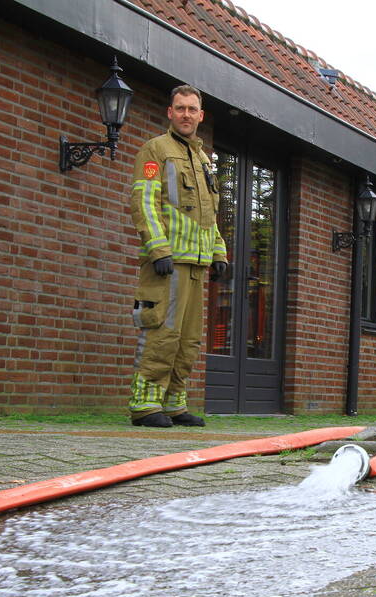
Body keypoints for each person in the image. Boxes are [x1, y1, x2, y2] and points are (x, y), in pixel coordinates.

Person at [127, 85, 228, 427]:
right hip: (167, 265)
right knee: (162, 333)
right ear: (170, 113)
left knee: (188, 340)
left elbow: (210, 214)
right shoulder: (155, 150)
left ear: (201, 116)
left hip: (196, 264)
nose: (186, 114)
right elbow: (144, 201)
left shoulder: (204, 160)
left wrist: (218, 251)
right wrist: (157, 248)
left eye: (192, 109)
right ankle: (145, 404)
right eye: (180, 108)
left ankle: (173, 403)